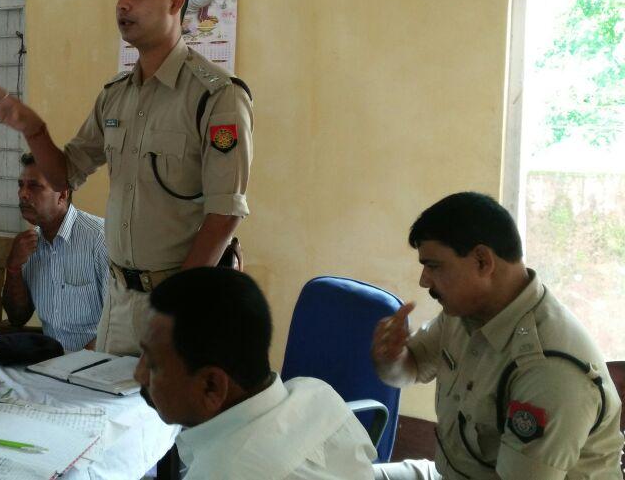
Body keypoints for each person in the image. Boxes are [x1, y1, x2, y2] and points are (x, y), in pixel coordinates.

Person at [0, 0, 254, 355]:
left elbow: (225, 212)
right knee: (101, 394)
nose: (123, 4)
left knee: (162, 399)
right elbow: (64, 176)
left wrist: (176, 305)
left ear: (176, 1)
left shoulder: (216, 96)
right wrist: (34, 129)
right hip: (119, 299)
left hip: (181, 300)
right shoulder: (115, 96)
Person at [372, 192, 624, 480]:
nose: (423, 280)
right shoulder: (465, 313)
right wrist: (392, 358)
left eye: (434, 266)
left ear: (482, 261)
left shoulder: (548, 369)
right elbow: (412, 369)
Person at [136, 267, 377, 479]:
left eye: (153, 365)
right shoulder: (318, 394)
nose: (139, 374)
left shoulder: (221, 473)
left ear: (211, 386)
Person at [2, 153, 108, 351]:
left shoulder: (100, 239)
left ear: (62, 195)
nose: (23, 194)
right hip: (50, 359)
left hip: (97, 361)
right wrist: (13, 268)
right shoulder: (29, 245)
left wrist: (75, 363)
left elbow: (118, 325)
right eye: (21, 185)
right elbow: (17, 317)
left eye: (34, 186)